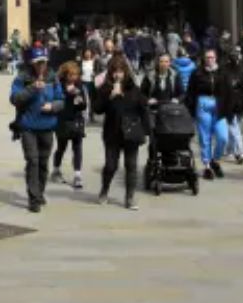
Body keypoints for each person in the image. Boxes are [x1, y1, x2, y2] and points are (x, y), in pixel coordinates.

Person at [11, 49, 63, 213]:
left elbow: (61, 100)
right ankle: (33, 198)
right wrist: (32, 88)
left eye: (44, 62)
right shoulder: (22, 78)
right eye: (38, 62)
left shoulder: (53, 77)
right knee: (32, 161)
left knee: (43, 163)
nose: (42, 65)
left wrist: (53, 106)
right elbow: (15, 99)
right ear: (32, 63)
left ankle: (39, 192)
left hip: (47, 126)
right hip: (28, 127)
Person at [96, 62, 148, 210]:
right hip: (112, 133)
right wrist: (110, 96)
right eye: (115, 72)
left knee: (131, 166)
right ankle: (104, 190)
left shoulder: (134, 89)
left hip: (131, 132)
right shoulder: (106, 88)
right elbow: (97, 109)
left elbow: (143, 108)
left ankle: (129, 197)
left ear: (125, 73)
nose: (117, 75)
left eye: (120, 72)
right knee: (111, 166)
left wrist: (146, 131)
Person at [186, 50, 226, 180]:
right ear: (204, 59)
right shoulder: (197, 73)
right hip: (203, 102)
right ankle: (207, 165)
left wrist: (230, 108)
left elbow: (228, 91)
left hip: (219, 103)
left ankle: (215, 159)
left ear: (216, 58)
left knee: (223, 137)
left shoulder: (222, 72)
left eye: (212, 57)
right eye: (207, 57)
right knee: (205, 137)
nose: (210, 60)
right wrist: (191, 110)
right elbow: (190, 91)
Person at [51, 61, 90, 191]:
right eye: (71, 75)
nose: (74, 77)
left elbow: (83, 106)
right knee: (61, 147)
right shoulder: (59, 86)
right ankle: (56, 170)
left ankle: (77, 175)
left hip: (77, 121)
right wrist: (67, 95)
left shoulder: (80, 86)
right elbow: (56, 102)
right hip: (62, 121)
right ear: (65, 75)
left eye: (76, 75)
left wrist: (78, 97)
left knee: (77, 147)